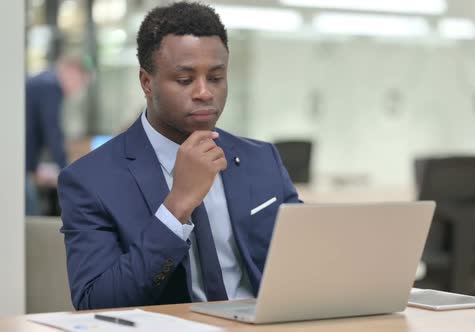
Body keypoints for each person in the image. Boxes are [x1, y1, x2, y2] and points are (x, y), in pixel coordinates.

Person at [58, 1, 300, 310]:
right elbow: (97, 303)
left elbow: (307, 262)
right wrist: (177, 207)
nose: (204, 92)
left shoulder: (261, 159)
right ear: (147, 82)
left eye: (215, 77)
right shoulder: (90, 181)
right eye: (185, 80)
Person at [26, 56, 91, 215]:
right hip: (18, 163)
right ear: (72, 72)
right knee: (29, 210)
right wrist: (65, 169)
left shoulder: (43, 82)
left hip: (23, 163)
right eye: (80, 83)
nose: (77, 90)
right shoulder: (50, 86)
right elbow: (52, 131)